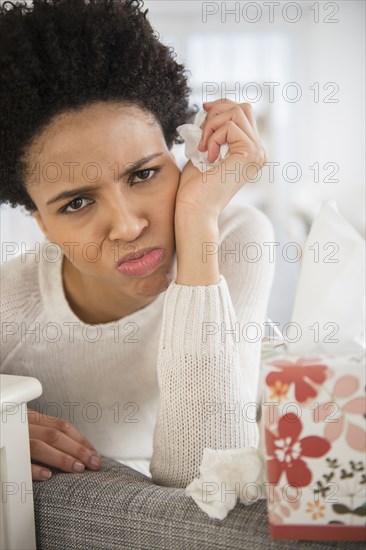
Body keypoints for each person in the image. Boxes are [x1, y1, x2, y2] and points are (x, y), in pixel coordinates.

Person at [0, 0, 274, 488]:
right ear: (41, 224)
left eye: (144, 173)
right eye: (77, 203)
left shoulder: (233, 237)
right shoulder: (10, 306)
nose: (126, 227)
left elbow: (210, 484)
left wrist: (197, 225)